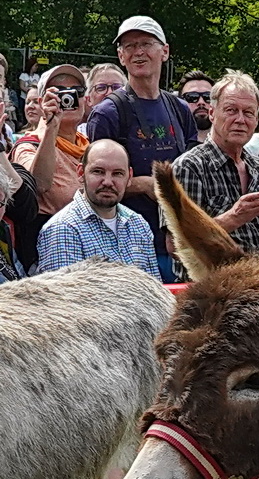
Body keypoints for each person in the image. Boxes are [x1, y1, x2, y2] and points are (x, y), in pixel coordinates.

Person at [84, 15, 200, 281]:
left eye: (146, 43)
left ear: (165, 51)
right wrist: (143, 184)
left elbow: (195, 169)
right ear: (121, 56)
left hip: (180, 241)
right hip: (129, 247)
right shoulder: (109, 113)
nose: (138, 52)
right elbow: (93, 182)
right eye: (129, 46)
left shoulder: (179, 108)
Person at [171, 71, 259, 253]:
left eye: (248, 113)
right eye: (231, 110)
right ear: (212, 113)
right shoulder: (188, 167)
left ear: (256, 120)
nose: (240, 120)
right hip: (214, 279)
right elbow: (176, 246)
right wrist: (234, 217)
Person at [35, 139, 159, 278]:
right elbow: (62, 297)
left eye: (117, 173)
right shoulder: (62, 229)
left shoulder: (138, 224)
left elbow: (154, 289)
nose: (107, 182)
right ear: (81, 173)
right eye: (98, 171)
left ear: (129, 177)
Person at [13, 63, 90, 217]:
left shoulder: (90, 146)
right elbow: (38, 185)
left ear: (86, 100)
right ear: (43, 103)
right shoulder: (29, 146)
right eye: (59, 93)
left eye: (77, 92)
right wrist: (51, 126)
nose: (69, 97)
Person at [178, 70, 214, 143]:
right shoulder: (170, 142)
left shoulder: (232, 142)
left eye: (208, 97)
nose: (201, 102)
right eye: (192, 97)